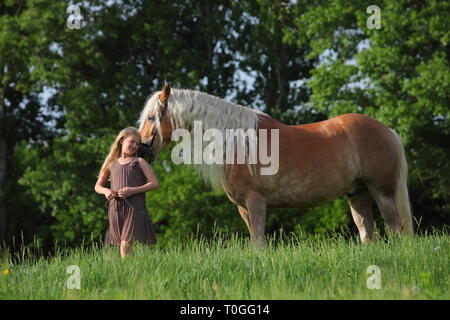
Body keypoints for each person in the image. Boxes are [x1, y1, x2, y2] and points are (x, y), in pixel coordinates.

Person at [95, 127, 159, 258]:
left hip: (135, 207)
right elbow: (98, 186)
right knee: (123, 244)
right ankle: (132, 269)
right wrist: (106, 191)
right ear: (121, 141)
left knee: (126, 243)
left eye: (138, 143)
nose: (135, 146)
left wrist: (133, 190)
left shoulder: (139, 162)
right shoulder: (111, 164)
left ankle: (127, 269)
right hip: (116, 209)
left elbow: (154, 183)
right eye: (132, 142)